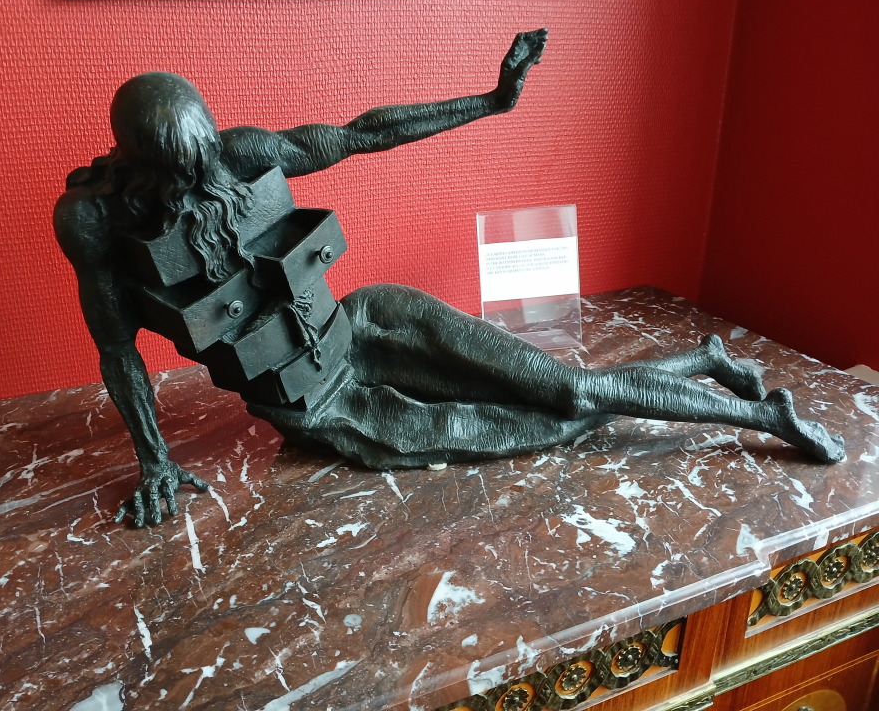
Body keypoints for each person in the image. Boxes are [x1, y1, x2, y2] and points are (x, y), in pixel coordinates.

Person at [54, 29, 843, 529]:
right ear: (139, 164)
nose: (208, 188)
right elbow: (116, 350)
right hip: (323, 405)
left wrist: (492, 102)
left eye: (208, 166)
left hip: (367, 320)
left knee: (567, 390)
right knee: (548, 422)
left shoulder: (241, 153)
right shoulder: (94, 222)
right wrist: (154, 460)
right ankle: (706, 364)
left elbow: (364, 133)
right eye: (185, 180)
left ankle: (763, 414)